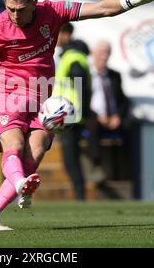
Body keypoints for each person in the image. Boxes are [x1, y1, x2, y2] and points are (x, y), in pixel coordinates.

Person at [0, 0, 154, 231]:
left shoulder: (52, 12)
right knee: (15, 144)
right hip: (7, 96)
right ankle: (20, 184)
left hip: (41, 100)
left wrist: (135, 0)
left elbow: (100, 9)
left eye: (21, 9)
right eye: (10, 9)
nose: (15, 15)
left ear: (34, 4)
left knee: (37, 150)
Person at [88, 40, 133, 183]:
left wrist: (117, 116)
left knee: (131, 125)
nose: (104, 56)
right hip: (94, 117)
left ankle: (131, 166)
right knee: (92, 126)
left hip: (113, 118)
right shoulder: (85, 75)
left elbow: (123, 100)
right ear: (93, 53)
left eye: (107, 53)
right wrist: (97, 116)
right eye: (101, 52)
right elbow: (80, 101)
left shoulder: (115, 75)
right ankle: (96, 165)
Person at [54, 39, 92, 201]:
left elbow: (79, 84)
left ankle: (80, 194)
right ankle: (79, 193)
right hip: (71, 114)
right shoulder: (75, 58)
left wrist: (81, 111)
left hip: (70, 115)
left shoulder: (72, 58)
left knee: (70, 159)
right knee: (72, 158)